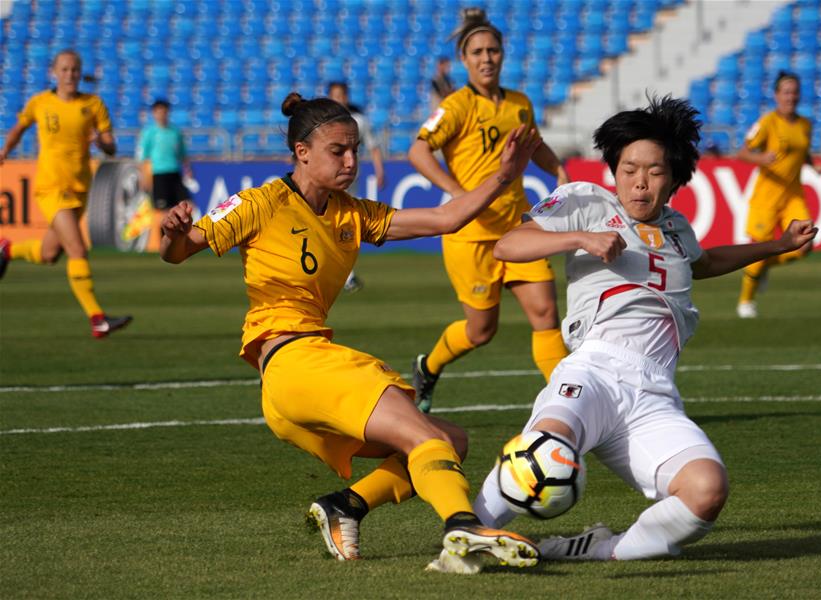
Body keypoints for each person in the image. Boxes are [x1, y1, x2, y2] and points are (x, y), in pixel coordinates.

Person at [431, 95, 817, 573]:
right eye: (629, 167)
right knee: (545, 449)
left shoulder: (678, 229)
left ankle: (600, 548)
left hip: (654, 395)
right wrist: (580, 239)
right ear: (614, 168)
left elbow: (707, 263)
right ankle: (465, 538)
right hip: (593, 370)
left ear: (674, 178)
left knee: (707, 490)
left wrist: (778, 244)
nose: (639, 180)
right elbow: (510, 245)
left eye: (654, 171)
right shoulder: (585, 201)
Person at [159, 92, 544, 569]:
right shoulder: (259, 203)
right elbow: (177, 251)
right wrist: (173, 232)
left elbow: (447, 218)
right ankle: (462, 526)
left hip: (299, 379)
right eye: (337, 150)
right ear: (302, 153)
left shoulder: (352, 213)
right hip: (295, 361)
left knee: (450, 439)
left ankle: (346, 506)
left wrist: (504, 176)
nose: (351, 160)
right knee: (428, 440)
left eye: (355, 149)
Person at [408, 8, 570, 413]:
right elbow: (417, 150)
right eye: (477, 51)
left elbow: (535, 144)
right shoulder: (457, 106)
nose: (486, 58)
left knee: (546, 313)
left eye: (493, 50)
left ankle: (570, 404)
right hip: (471, 234)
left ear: (502, 54)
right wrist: (457, 192)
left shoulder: (518, 103)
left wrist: (559, 170)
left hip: (518, 228)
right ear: (464, 60)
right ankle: (428, 367)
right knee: (481, 331)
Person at [0, 49, 132, 338]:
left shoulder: (93, 104)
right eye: (64, 69)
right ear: (54, 72)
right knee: (77, 249)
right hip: (51, 187)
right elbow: (19, 128)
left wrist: (101, 142)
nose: (70, 74)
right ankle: (97, 319)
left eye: (74, 70)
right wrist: (5, 151)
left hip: (80, 188)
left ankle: (7, 249)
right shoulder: (40, 102)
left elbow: (111, 145)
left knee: (50, 253)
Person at [735, 71, 821, 319]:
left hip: (793, 194)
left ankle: (763, 269)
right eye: (786, 92)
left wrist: (812, 164)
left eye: (794, 92)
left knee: (805, 245)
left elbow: (801, 152)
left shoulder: (805, 124)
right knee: (759, 249)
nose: (791, 97)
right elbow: (742, 153)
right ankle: (745, 302)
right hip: (767, 196)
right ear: (776, 96)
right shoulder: (767, 122)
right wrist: (761, 158)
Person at [326, 81, 385, 294]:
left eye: (342, 95)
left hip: (349, 182)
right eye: (335, 95)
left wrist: (380, 171)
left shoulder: (358, 121)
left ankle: (346, 274)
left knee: (346, 226)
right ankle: (336, 272)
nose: (339, 99)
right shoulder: (322, 123)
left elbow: (374, 147)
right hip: (325, 182)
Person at [137, 98, 193, 211]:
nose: (161, 115)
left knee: (186, 205)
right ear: (154, 113)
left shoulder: (175, 132)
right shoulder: (149, 133)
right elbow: (142, 157)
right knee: (161, 210)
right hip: (158, 174)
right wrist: (143, 177)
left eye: (164, 112)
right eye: (159, 112)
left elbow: (183, 154)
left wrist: (188, 169)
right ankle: (160, 229)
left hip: (174, 173)